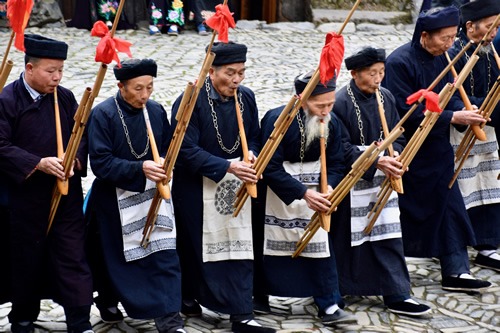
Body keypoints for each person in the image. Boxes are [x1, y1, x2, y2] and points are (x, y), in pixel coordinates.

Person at [383, 6, 491, 292]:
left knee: (449, 205)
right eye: (444, 38)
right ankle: (391, 275)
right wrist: (453, 117)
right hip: (408, 150)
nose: (448, 43)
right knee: (401, 212)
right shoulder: (399, 62)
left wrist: (466, 111)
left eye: (452, 37)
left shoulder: (446, 57)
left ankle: (456, 271)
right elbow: (403, 110)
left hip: (437, 148)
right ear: (424, 35)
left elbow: (450, 98)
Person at [171, 41, 275, 333]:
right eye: (230, 73)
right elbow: (183, 150)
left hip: (236, 185)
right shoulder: (190, 101)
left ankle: (240, 313)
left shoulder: (246, 97)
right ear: (211, 70)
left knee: (238, 247)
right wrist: (227, 165)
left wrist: (251, 152)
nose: (237, 80)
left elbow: (254, 136)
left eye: (241, 72)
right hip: (195, 186)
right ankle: (189, 297)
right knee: (197, 249)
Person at [0, 34, 93, 333]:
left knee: (72, 255)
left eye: (61, 70)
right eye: (50, 71)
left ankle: (79, 321)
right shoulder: (7, 100)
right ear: (29, 68)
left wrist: (75, 161)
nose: (57, 77)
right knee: (26, 258)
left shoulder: (64, 97)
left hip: (64, 194)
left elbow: (81, 136)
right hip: (24, 197)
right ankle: (23, 317)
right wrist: (37, 163)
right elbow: (0, 145)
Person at [86, 58, 185, 333]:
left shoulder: (154, 110)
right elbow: (101, 164)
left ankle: (169, 320)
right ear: (121, 86)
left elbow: (165, 148)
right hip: (112, 200)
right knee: (115, 258)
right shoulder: (103, 114)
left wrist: (166, 164)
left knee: (164, 254)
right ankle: (107, 301)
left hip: (153, 195)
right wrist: (139, 167)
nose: (144, 95)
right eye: (138, 88)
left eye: (150, 87)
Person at [331, 47, 431, 316]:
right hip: (352, 179)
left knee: (387, 234)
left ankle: (396, 292)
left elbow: (398, 132)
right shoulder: (340, 102)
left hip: (382, 179)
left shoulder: (385, 97)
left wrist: (396, 153)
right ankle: (340, 287)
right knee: (347, 237)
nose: (378, 79)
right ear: (354, 74)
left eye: (382, 73)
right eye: (372, 74)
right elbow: (337, 146)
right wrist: (373, 159)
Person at [254, 71, 357, 326]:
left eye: (330, 104)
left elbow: (336, 161)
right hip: (278, 192)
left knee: (320, 245)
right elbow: (269, 166)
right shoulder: (277, 119)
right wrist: (302, 193)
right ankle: (259, 296)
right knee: (266, 245)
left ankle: (329, 304)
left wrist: (330, 187)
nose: (325, 111)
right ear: (301, 99)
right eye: (319, 105)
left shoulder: (331, 122)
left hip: (317, 191)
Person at [447, 0, 500, 272]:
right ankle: (455, 246)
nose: (493, 33)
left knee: (489, 185)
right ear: (470, 26)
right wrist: (473, 110)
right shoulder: (455, 53)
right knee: (463, 189)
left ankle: (488, 245)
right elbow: (450, 96)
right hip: (462, 132)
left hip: (489, 132)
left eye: (497, 28)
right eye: (489, 27)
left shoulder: (491, 51)